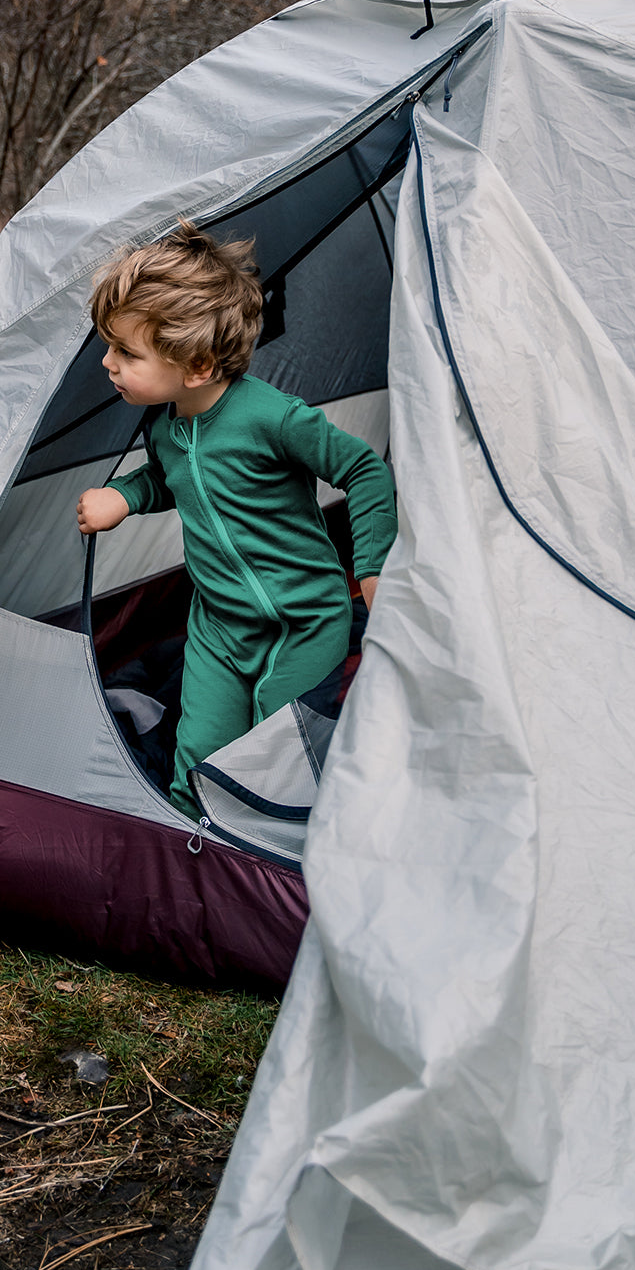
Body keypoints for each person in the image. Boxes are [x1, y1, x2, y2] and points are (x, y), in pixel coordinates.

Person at [76, 220, 397, 821]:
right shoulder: (165, 426)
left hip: (305, 620)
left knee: (277, 752)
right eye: (109, 345)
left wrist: (375, 569)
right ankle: (186, 852)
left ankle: (280, 852)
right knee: (197, 753)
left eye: (125, 351)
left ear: (195, 364)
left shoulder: (274, 418)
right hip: (220, 626)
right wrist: (124, 495)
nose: (107, 362)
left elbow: (365, 470)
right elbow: (172, 476)